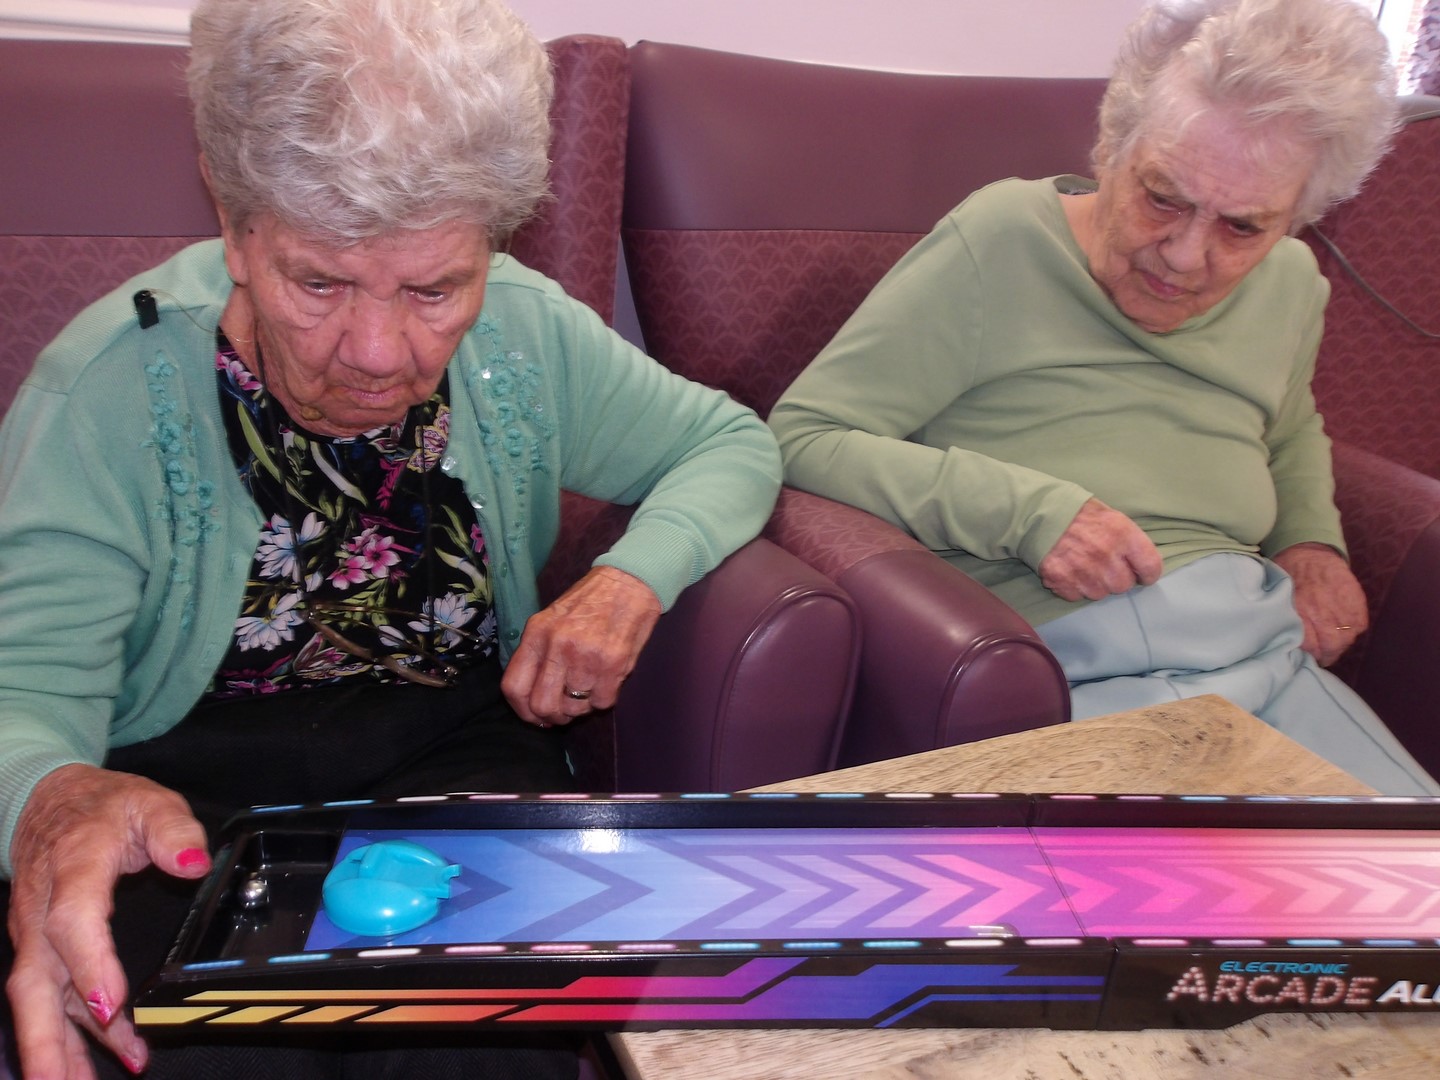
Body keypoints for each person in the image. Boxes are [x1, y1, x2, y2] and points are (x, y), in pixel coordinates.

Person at [0, 1, 780, 1077]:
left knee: (491, 1046)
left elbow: (730, 442)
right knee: (205, 1047)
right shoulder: (109, 390)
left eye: (435, 288)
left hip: (451, 748)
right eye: (318, 282)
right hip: (178, 787)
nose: (376, 352)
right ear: (234, 221)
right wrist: (54, 795)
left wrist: (630, 579)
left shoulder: (525, 333)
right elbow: (24, 688)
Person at [769, 0, 1439, 794]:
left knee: (1404, 858)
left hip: (1261, 654)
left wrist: (1313, 543)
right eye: (1163, 198)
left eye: (1242, 228)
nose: (1185, 256)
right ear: (1110, 147)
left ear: (1296, 220)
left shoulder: (1291, 282)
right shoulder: (1003, 240)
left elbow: (1287, 428)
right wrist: (1030, 514)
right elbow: (804, 435)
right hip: (1065, 666)